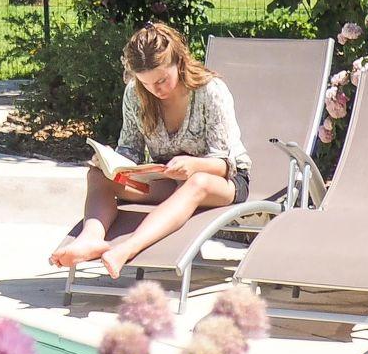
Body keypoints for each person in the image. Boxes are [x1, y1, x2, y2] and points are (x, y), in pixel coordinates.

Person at [47, 22, 251, 278]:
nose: (157, 89)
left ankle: (127, 248)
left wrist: (194, 165)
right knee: (98, 176)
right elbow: (130, 150)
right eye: (147, 83)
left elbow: (225, 163)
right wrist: (110, 162)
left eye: (162, 80)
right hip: (166, 176)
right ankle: (90, 239)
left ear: (178, 61)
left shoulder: (210, 91)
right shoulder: (135, 94)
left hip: (221, 180)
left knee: (197, 182)